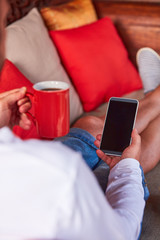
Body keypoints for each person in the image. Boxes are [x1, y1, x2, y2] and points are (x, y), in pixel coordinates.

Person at [0, 0, 157, 239]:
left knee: (89, 126)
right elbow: (121, 233)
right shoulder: (61, 172)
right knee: (122, 155)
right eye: (4, 23)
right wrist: (126, 167)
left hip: (53, 162)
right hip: (52, 183)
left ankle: (154, 97)